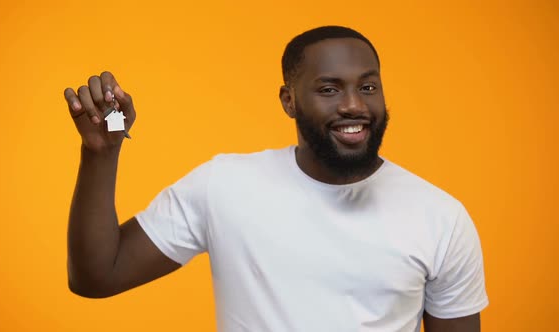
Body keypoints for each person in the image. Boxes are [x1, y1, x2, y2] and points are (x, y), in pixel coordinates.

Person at [64, 26, 488, 332]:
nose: (354, 105)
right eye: (329, 89)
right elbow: (97, 277)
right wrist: (101, 153)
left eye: (369, 87)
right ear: (289, 100)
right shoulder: (224, 186)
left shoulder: (441, 217)